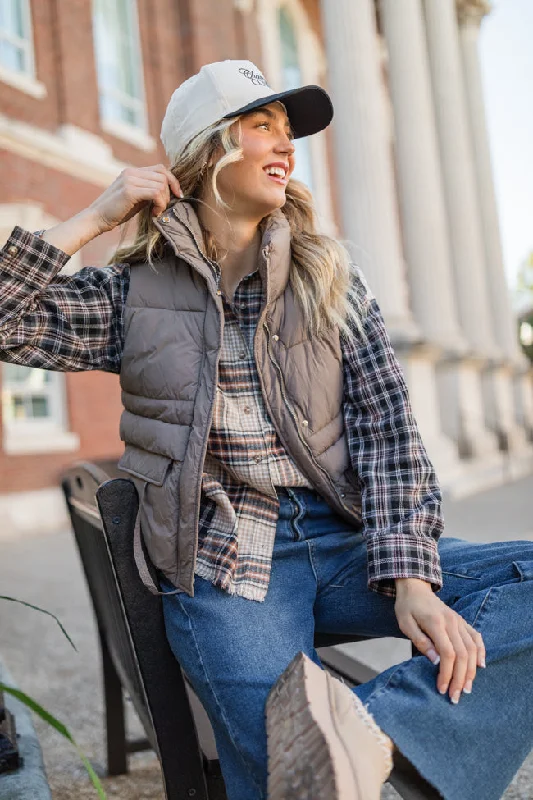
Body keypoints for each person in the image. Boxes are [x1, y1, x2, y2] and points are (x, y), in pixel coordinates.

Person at [0, 59, 532, 800]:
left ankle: (373, 737)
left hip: (346, 543)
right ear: (207, 151)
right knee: (283, 761)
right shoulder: (134, 293)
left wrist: (411, 579)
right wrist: (97, 214)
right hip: (227, 561)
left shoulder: (331, 278)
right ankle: (336, 757)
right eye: (261, 127)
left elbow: (390, 436)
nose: (284, 147)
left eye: (288, 132)